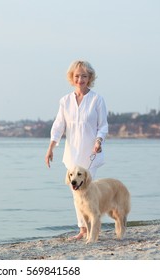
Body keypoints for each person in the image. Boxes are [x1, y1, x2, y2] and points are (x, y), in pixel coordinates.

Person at [45, 60, 109, 240]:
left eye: (84, 76)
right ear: (72, 78)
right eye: (77, 76)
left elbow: (103, 126)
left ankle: (92, 228)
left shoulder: (97, 99)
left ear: (90, 78)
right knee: (76, 194)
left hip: (91, 153)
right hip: (72, 154)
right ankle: (83, 229)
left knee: (89, 192)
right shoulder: (65, 101)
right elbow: (58, 126)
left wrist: (99, 140)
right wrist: (51, 148)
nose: (80, 79)